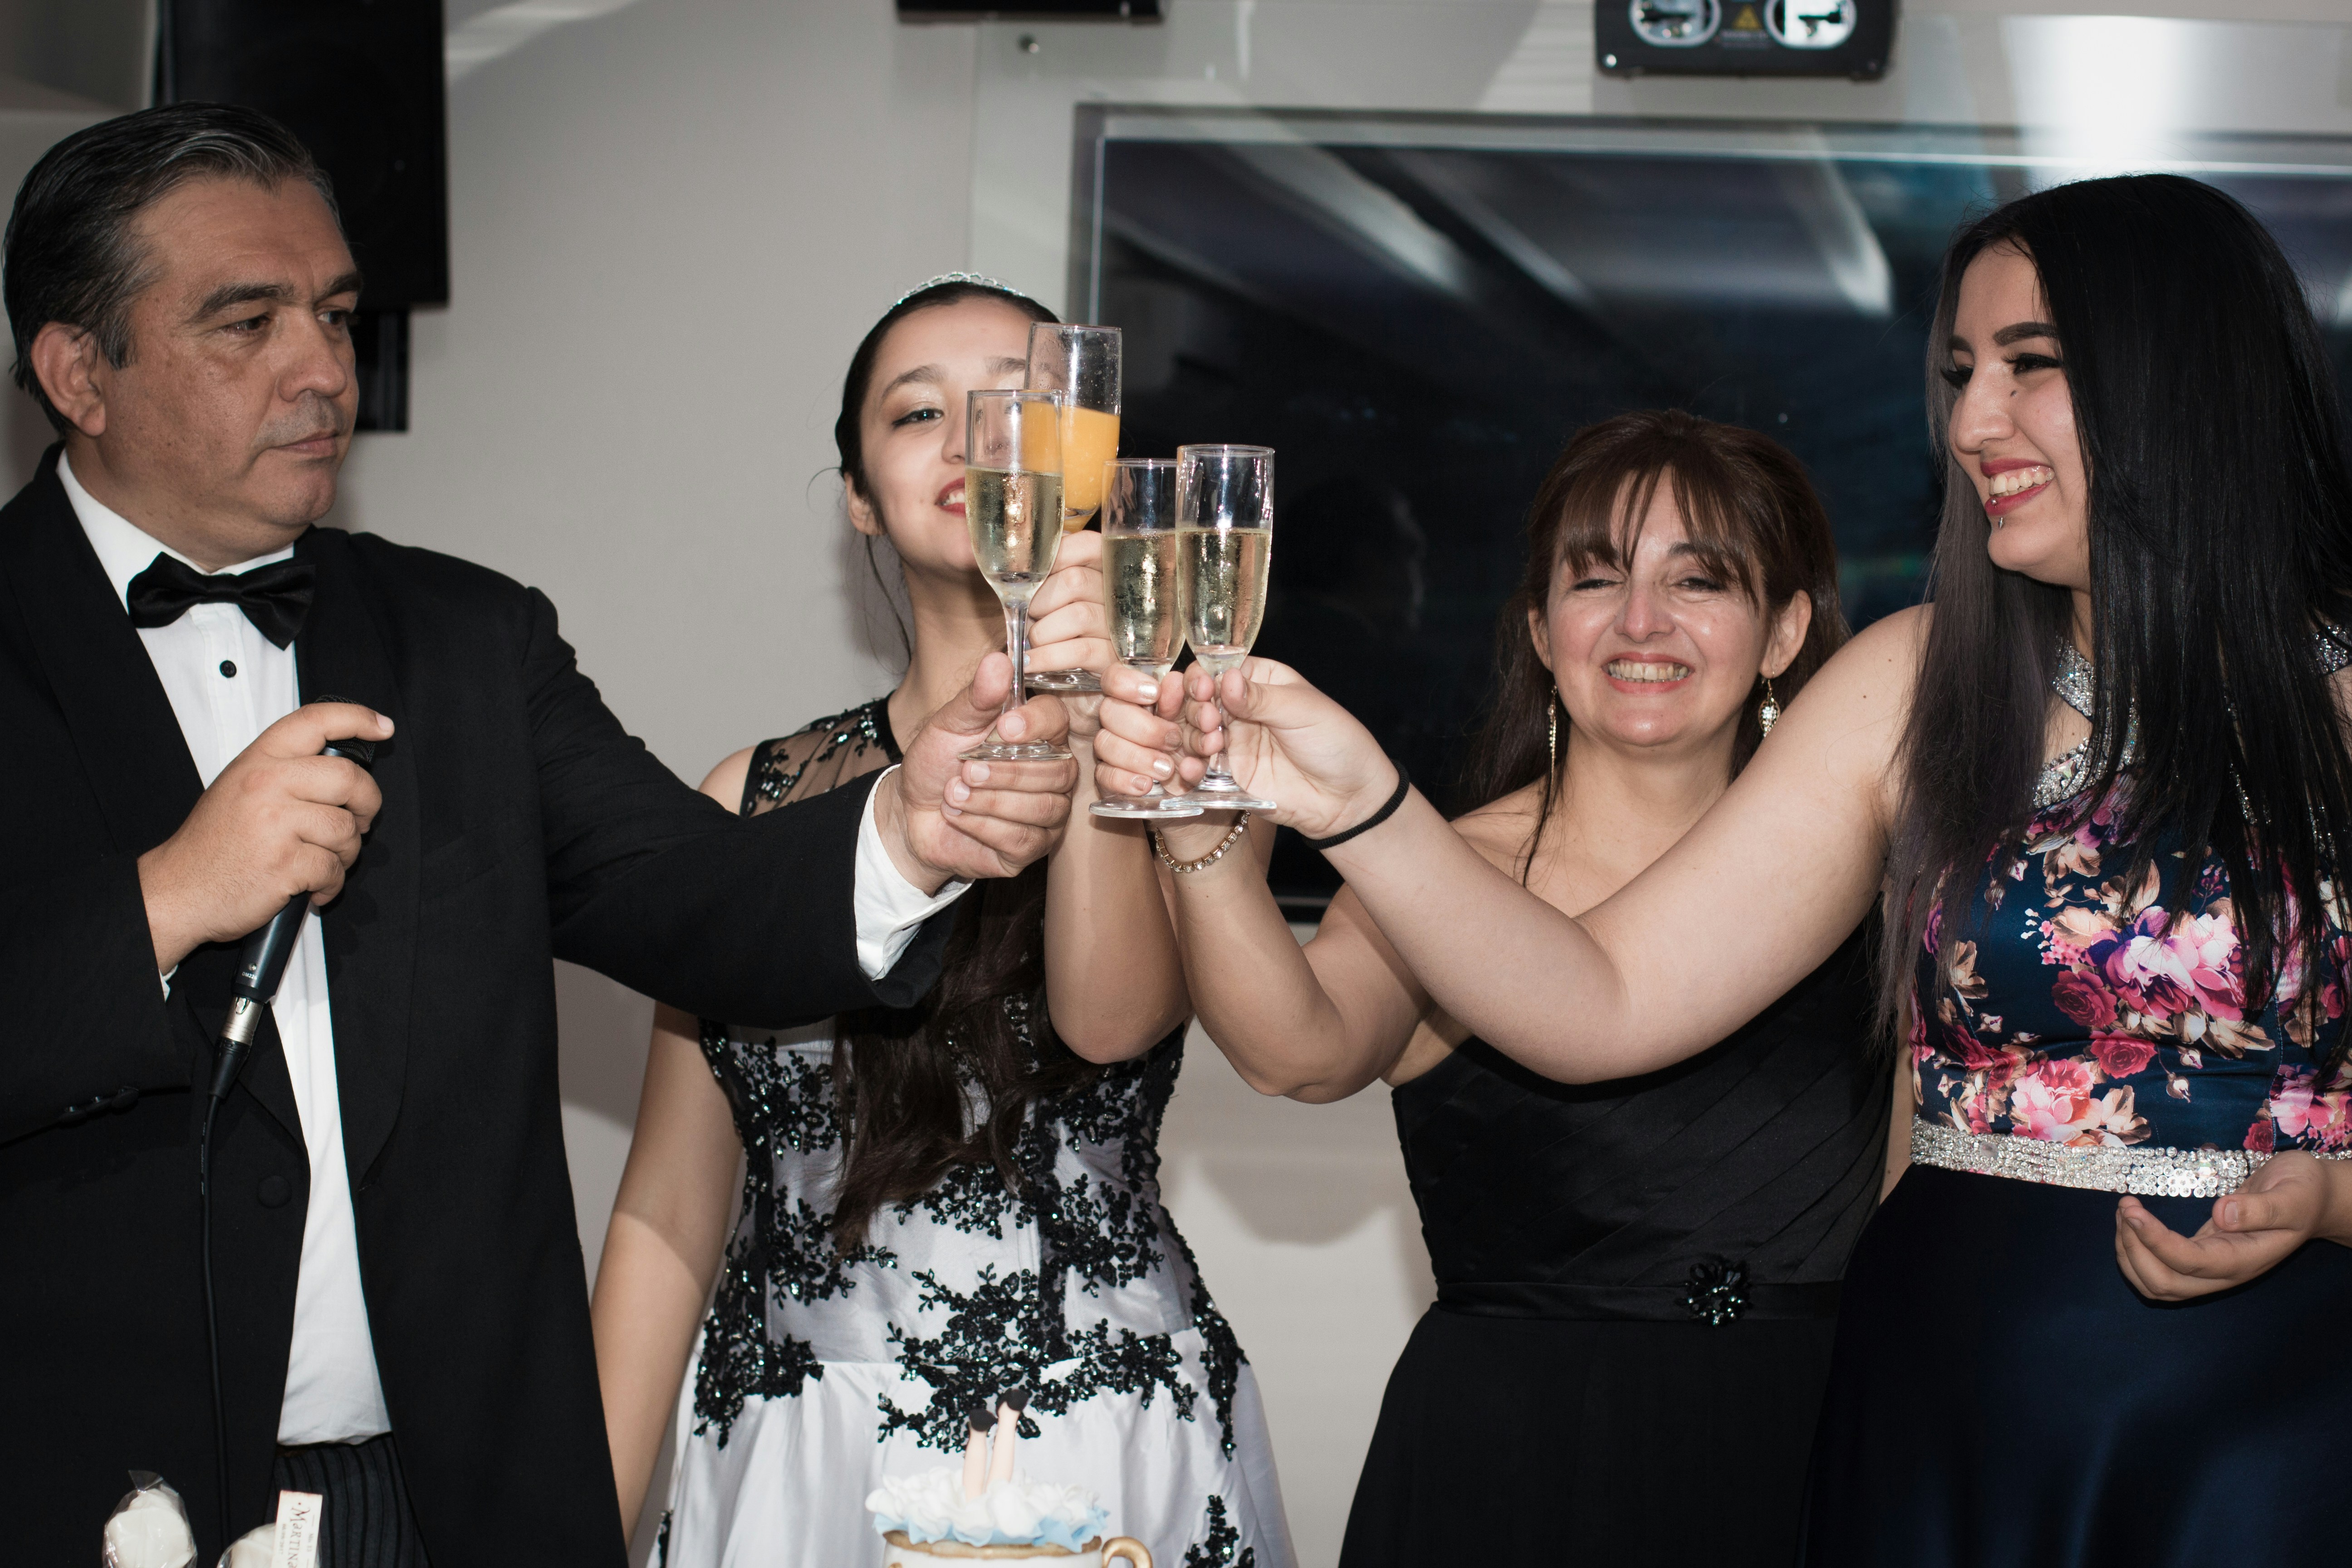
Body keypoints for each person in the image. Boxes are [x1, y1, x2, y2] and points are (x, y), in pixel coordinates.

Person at [1096, 172, 2352, 1565]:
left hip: (2270, 1405)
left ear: (2181, 374)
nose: (1970, 423)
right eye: (1960, 374)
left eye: (2030, 365)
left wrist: (2335, 1196)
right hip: (1951, 1390)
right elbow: (1603, 999)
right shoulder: (1921, 680)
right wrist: (1363, 805)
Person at [0, 108, 1075, 1568]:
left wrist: (909, 826)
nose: (324, 370)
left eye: (335, 316)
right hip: (76, 1499)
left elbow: (693, 896)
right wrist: (169, 901)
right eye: (248, 324)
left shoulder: (468, 638)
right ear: (81, 373)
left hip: (442, 1505)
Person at [590, 277, 1292, 1568]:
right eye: (922, 413)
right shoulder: (753, 798)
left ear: (1092, 465)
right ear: (860, 494)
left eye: (1025, 409)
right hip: (795, 1450)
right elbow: (670, 1209)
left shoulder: (1194, 765)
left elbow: (1111, 1019)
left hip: (1092, 1446)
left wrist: (1095, 698)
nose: (983, 444)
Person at [1141, 411, 1889, 1566]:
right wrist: (1203, 847)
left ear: (1785, 631)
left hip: (1814, 1455)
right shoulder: (1450, 877)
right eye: (1597, 579)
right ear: (1543, 629)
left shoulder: (1876, 889)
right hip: (1518, 1471)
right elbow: (1300, 1051)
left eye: (1699, 581)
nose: (1642, 621)